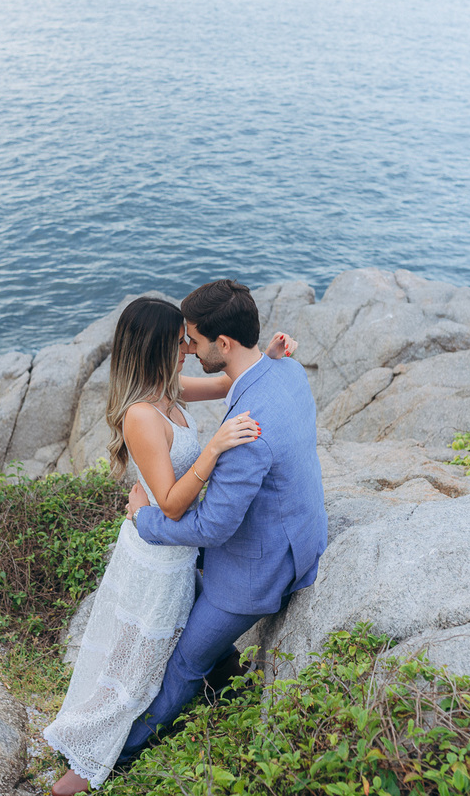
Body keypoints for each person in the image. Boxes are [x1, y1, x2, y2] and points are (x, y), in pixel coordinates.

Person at [43, 295, 297, 795]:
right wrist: (214, 447)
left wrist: (268, 355)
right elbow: (172, 504)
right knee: (136, 672)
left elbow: (229, 379)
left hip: (176, 554)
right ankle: (74, 777)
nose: (189, 346)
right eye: (180, 340)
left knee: (157, 657)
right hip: (156, 560)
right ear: (158, 346)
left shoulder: (170, 389)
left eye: (189, 338)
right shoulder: (142, 415)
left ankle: (205, 700)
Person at [117, 279, 327, 765]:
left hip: (263, 565)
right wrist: (273, 354)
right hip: (299, 528)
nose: (187, 349)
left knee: (185, 661)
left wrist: (145, 523)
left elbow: (212, 528)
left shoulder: (248, 425)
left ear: (223, 344)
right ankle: (230, 679)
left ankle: (117, 756)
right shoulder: (286, 371)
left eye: (192, 339)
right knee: (178, 592)